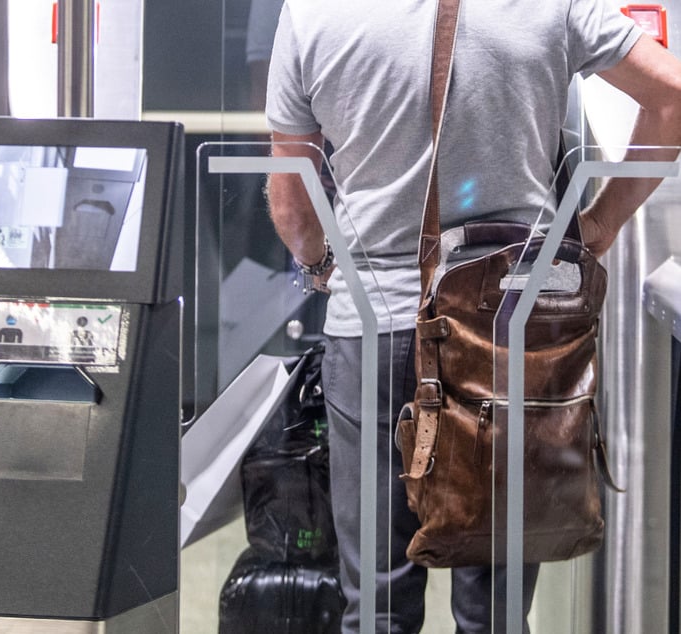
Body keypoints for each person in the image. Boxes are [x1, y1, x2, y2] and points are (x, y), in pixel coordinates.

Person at [263, 1, 681, 632]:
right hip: (508, 326)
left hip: (374, 326)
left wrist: (324, 265)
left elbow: (293, 199)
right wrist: (599, 225)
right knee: (497, 610)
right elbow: (670, 96)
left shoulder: (312, 12)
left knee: (376, 605)